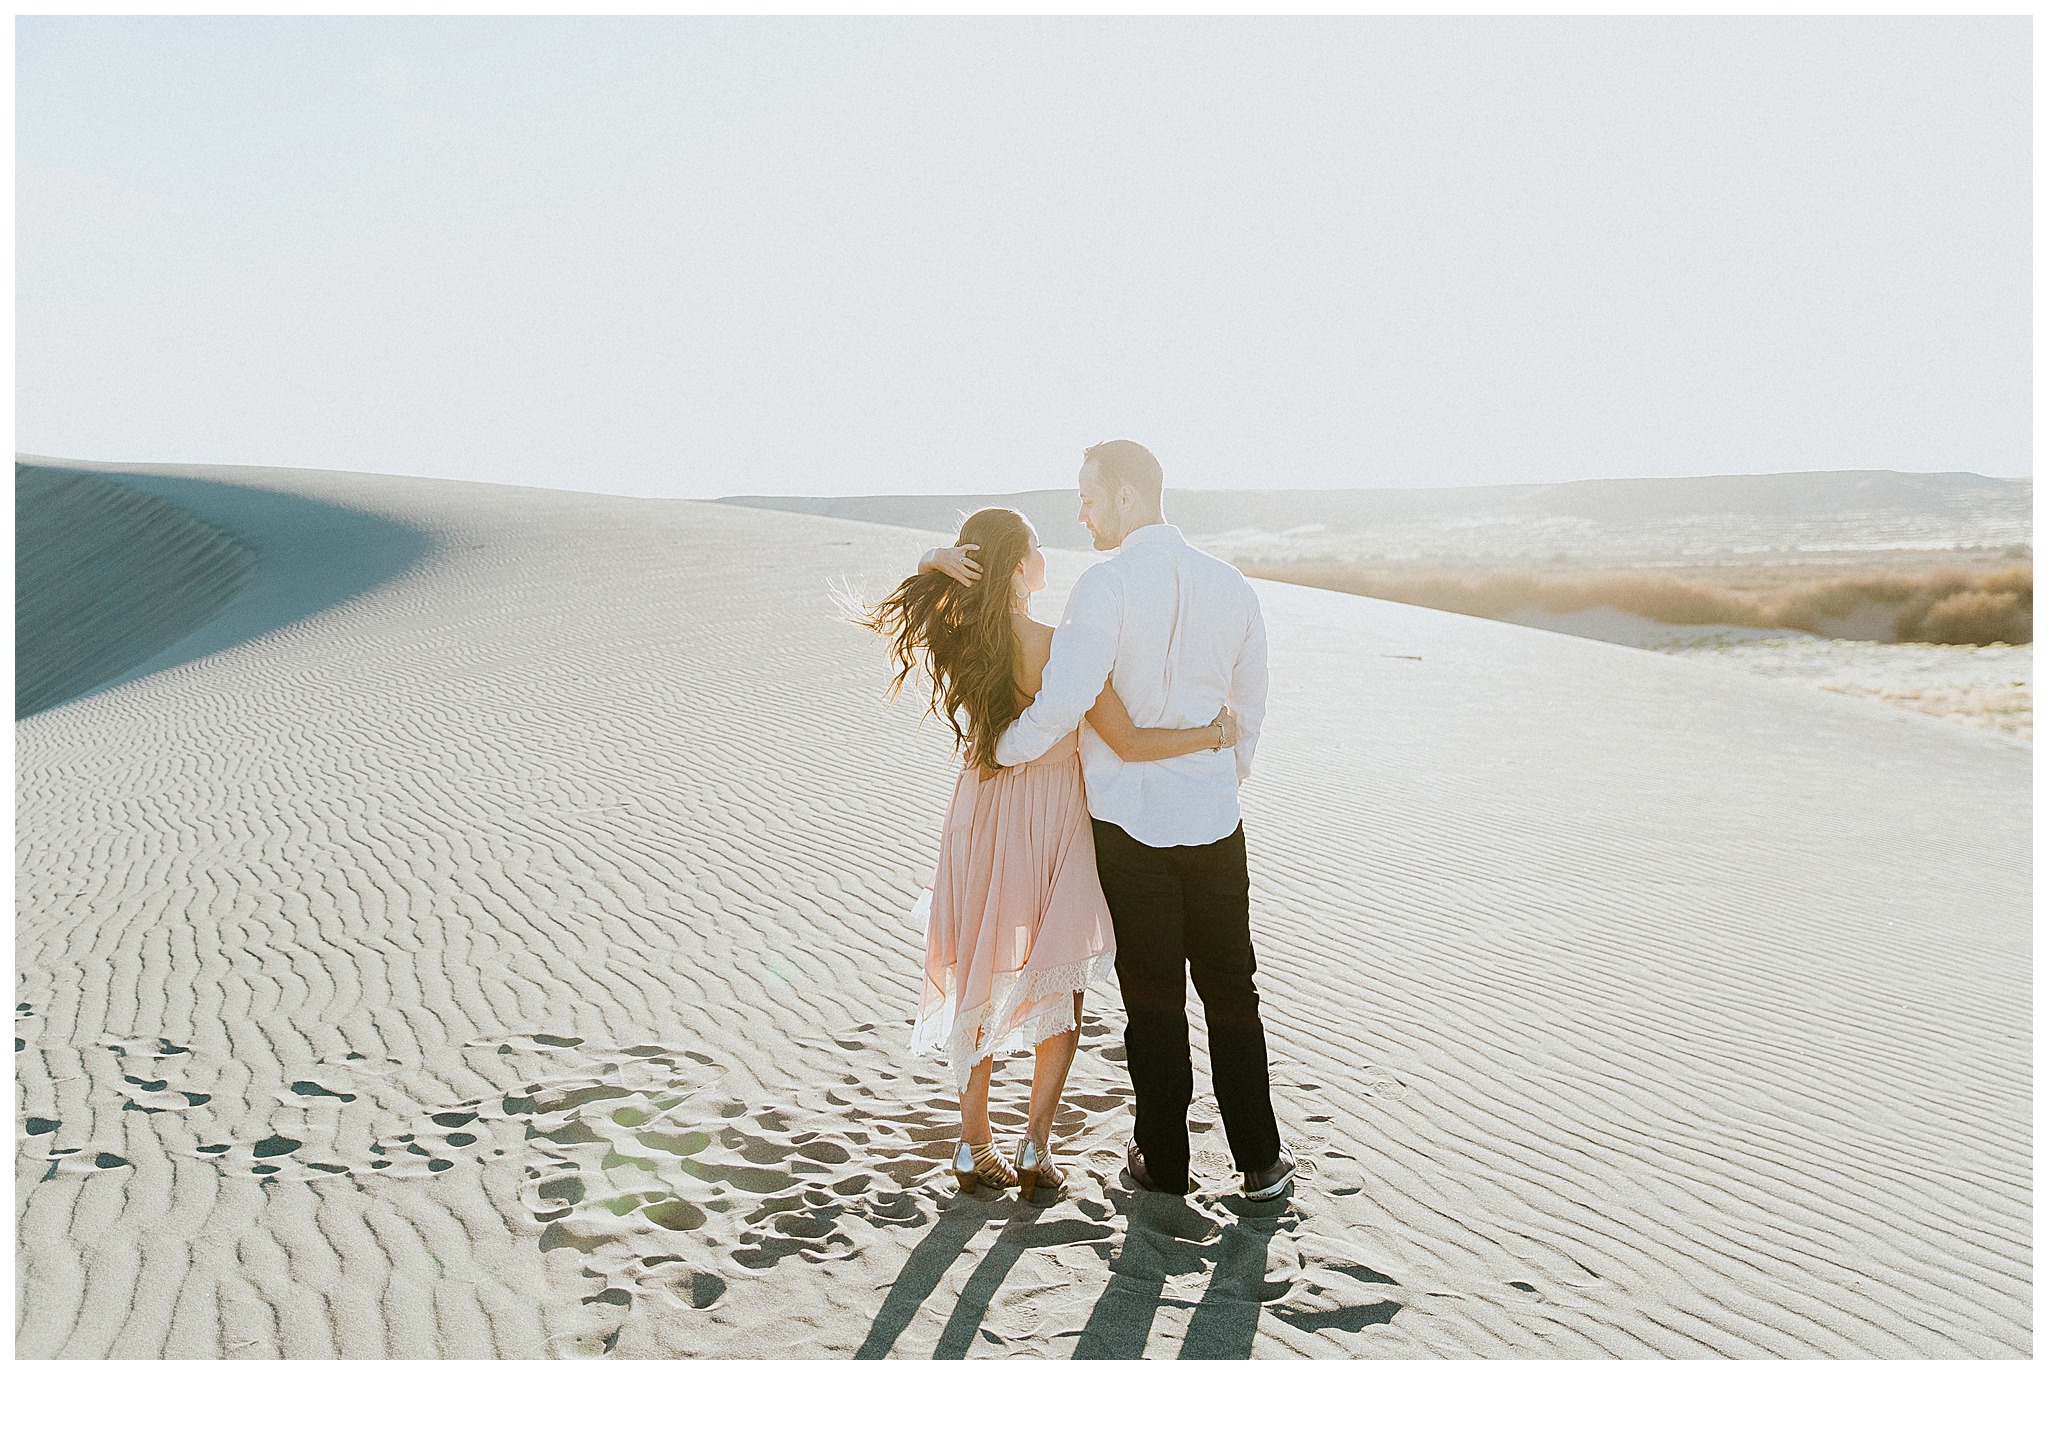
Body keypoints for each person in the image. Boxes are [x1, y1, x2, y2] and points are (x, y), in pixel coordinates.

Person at [851, 506, 1236, 1202]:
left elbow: (919, 595)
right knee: (1061, 979)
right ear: (1017, 565)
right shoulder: (1065, 647)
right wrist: (1212, 736)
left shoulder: (962, 637)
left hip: (980, 808)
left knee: (980, 969)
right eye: (1035, 547)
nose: (1045, 557)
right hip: (1057, 815)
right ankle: (1036, 1143)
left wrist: (937, 556)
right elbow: (1128, 740)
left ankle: (973, 1146)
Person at [990, 441, 1294, 1201]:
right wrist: (1220, 780)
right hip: (1217, 822)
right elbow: (1249, 709)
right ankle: (1260, 1160)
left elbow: (1066, 696)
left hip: (1131, 830)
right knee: (1232, 989)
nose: (1082, 511)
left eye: (1089, 496)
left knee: (1153, 995)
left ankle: (1163, 1162)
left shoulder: (1105, 585)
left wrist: (1004, 748)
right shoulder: (1232, 586)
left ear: (1126, 498)